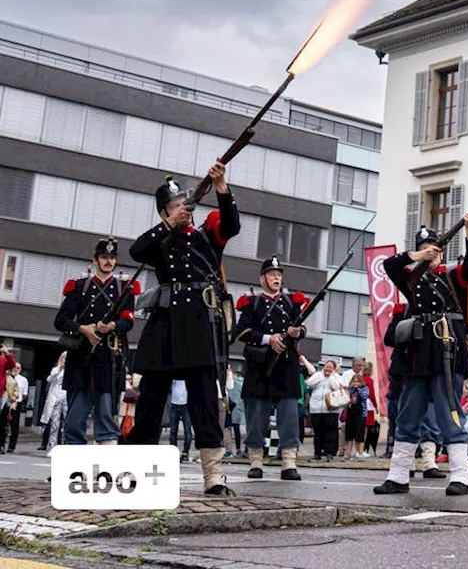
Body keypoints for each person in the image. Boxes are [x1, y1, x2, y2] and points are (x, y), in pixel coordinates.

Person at [124, 166, 238, 496]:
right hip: (164, 326)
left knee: (203, 400)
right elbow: (137, 251)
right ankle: (136, 471)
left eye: (183, 202)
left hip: (200, 326)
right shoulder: (160, 239)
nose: (181, 208)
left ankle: (213, 476)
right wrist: (168, 226)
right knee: (150, 402)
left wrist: (221, 185)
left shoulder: (206, 235)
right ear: (164, 212)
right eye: (173, 204)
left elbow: (231, 224)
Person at [375, 214, 468, 496]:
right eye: (426, 246)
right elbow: (389, 264)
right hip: (418, 353)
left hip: (447, 350)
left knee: (449, 413)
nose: (432, 250)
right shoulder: (411, 278)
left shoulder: (451, 275)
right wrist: (415, 255)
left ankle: (460, 475)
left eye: (435, 246)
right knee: (409, 413)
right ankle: (398, 476)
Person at [52, 236, 136, 447]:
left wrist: (113, 327)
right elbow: (61, 320)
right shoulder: (79, 286)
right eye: (104, 257)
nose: (108, 261)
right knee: (74, 421)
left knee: (106, 419)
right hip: (80, 358)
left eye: (112, 257)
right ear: (95, 259)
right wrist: (83, 329)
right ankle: (73, 469)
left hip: (108, 359)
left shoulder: (124, 288)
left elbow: (128, 320)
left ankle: (106, 470)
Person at [233, 256, 308, 481]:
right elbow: (241, 332)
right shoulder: (252, 303)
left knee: (288, 415)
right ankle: (256, 461)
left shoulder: (291, 302)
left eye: (279, 274)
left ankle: (288, 462)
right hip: (259, 366)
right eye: (272, 274)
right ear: (262, 278)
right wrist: (268, 338)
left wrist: (297, 332)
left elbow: (302, 326)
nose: (277, 278)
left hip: (286, 366)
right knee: (256, 417)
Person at [39, 353, 68, 452]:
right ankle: (52, 446)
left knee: (66, 424)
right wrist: (58, 370)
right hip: (56, 399)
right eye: (63, 358)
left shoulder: (71, 371)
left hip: (66, 399)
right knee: (54, 424)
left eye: (66, 359)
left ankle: (64, 445)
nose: (65, 360)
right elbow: (49, 379)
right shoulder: (56, 369)